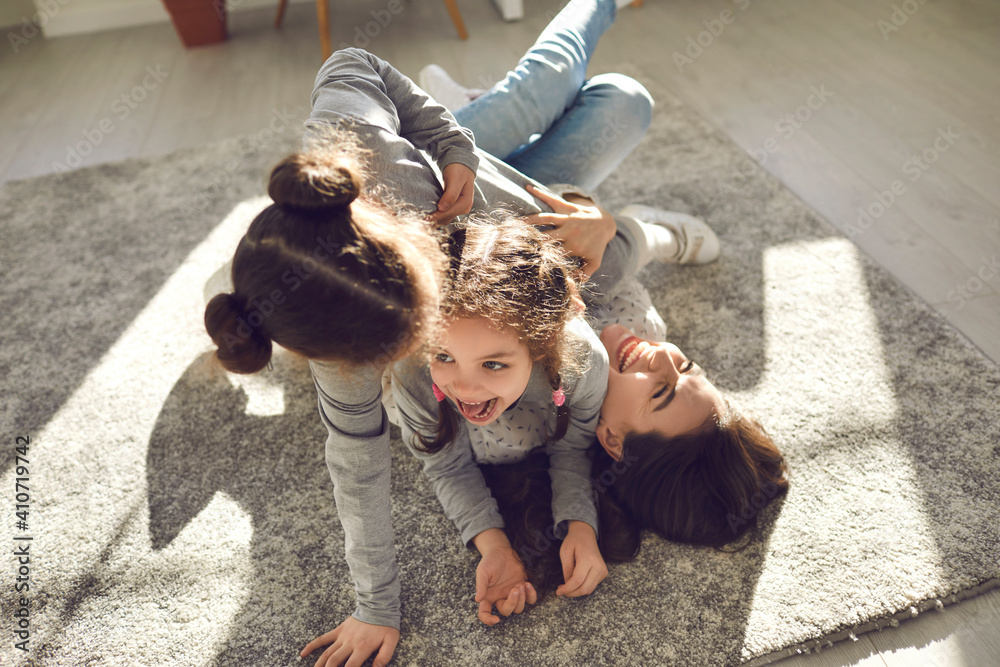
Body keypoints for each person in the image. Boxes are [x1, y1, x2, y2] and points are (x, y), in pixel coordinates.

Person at [204, 1, 723, 665]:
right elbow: (358, 471)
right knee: (618, 101)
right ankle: (470, 106)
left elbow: (354, 60)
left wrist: (455, 150)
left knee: (614, 105)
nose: (446, 372)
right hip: (431, 209)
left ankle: (533, 54)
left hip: (474, 179)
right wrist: (375, 606)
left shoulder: (423, 191)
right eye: (429, 352)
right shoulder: (348, 362)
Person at [391, 214, 611, 623]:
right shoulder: (411, 371)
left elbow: (573, 447)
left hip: (567, 245)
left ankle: (647, 232)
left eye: (493, 364)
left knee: (619, 264)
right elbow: (445, 465)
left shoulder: (584, 361)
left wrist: (581, 523)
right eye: (444, 356)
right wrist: (494, 546)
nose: (466, 389)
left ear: (543, 345)